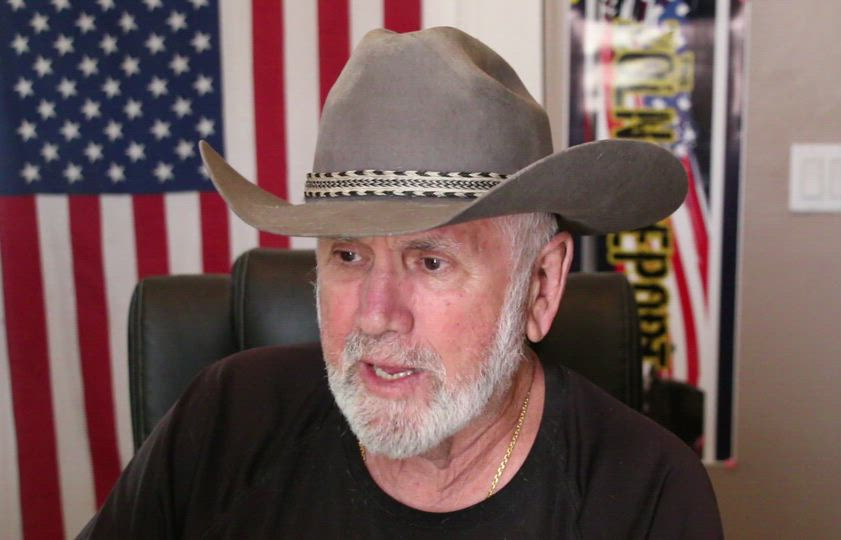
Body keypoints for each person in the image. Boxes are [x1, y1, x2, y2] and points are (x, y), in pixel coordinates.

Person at [80, 27, 723, 538]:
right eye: (348, 256)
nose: (376, 314)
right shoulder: (224, 418)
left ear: (542, 285)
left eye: (430, 262)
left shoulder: (646, 494)